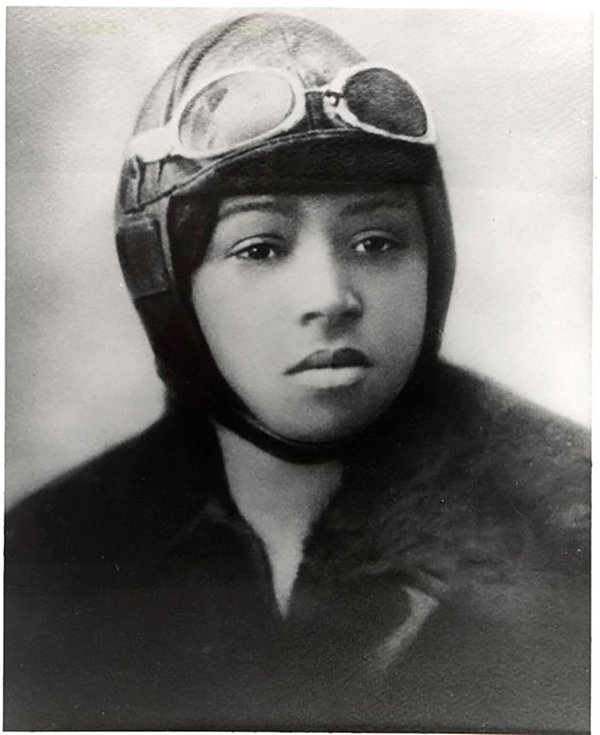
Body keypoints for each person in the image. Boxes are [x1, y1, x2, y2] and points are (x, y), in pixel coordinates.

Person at [4, 12, 590, 733]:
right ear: (166, 281)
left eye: (377, 242)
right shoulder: (44, 556)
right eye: (260, 248)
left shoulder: (573, 523)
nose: (332, 298)